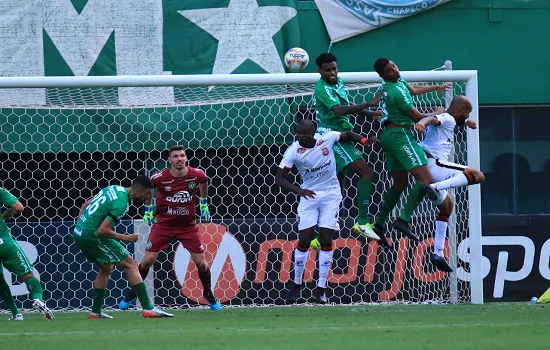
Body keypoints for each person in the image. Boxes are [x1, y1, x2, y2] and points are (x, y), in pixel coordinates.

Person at [276, 120, 377, 304]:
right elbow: (279, 179)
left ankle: (321, 288)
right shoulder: (293, 151)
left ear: (314, 133)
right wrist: (300, 190)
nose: (301, 137)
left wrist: (363, 140)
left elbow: (346, 134)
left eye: (305, 134)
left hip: (331, 194)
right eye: (299, 134)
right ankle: (297, 283)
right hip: (308, 197)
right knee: (305, 239)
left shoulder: (327, 139)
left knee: (326, 238)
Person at [118, 145, 221, 311]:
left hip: (188, 226)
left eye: (182, 156)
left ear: (186, 158)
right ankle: (132, 293)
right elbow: (148, 189)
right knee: (148, 260)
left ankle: (208, 293)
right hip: (163, 224)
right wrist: (148, 209)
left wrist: (204, 203)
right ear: (169, 160)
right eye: (175, 156)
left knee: (201, 263)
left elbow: (204, 181)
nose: (179, 159)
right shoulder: (160, 177)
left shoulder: (196, 174)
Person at [372, 58, 450, 242]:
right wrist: (437, 113)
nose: (395, 70)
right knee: (426, 180)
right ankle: (403, 219)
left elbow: (413, 90)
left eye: (394, 66)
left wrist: (435, 87)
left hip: (389, 135)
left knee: (400, 184)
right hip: (400, 135)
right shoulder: (393, 92)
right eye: (389, 70)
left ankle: (379, 224)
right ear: (382, 75)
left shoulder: (398, 81)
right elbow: (416, 117)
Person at [73, 176, 173, 318]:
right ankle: (148, 308)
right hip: (92, 235)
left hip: (79, 232)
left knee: (106, 268)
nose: (148, 196)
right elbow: (102, 231)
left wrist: (81, 225)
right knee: (130, 263)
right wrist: (126, 238)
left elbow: (85, 204)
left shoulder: (114, 188)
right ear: (139, 191)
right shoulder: (122, 204)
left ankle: (95, 312)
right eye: (147, 193)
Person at [312, 52, 382, 241]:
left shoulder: (338, 82)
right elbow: (338, 110)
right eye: (328, 70)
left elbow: (345, 104)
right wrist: (367, 103)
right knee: (366, 172)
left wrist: (368, 113)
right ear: (320, 71)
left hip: (342, 134)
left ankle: (319, 238)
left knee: (337, 186)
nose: (333, 73)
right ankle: (362, 222)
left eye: (334, 68)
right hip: (331, 137)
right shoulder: (322, 88)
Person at [415, 95, 485, 272]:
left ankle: (437, 252)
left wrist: (467, 122)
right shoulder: (445, 118)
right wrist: (423, 122)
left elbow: (446, 117)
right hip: (434, 163)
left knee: (447, 207)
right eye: (467, 113)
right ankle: (434, 188)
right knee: (477, 175)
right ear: (460, 110)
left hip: (431, 166)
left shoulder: (450, 118)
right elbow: (433, 118)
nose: (467, 116)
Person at [0, 187, 54, 321]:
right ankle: (38, 299)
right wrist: (8, 213)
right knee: (28, 275)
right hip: (5, 243)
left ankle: (16, 313)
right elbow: (19, 208)